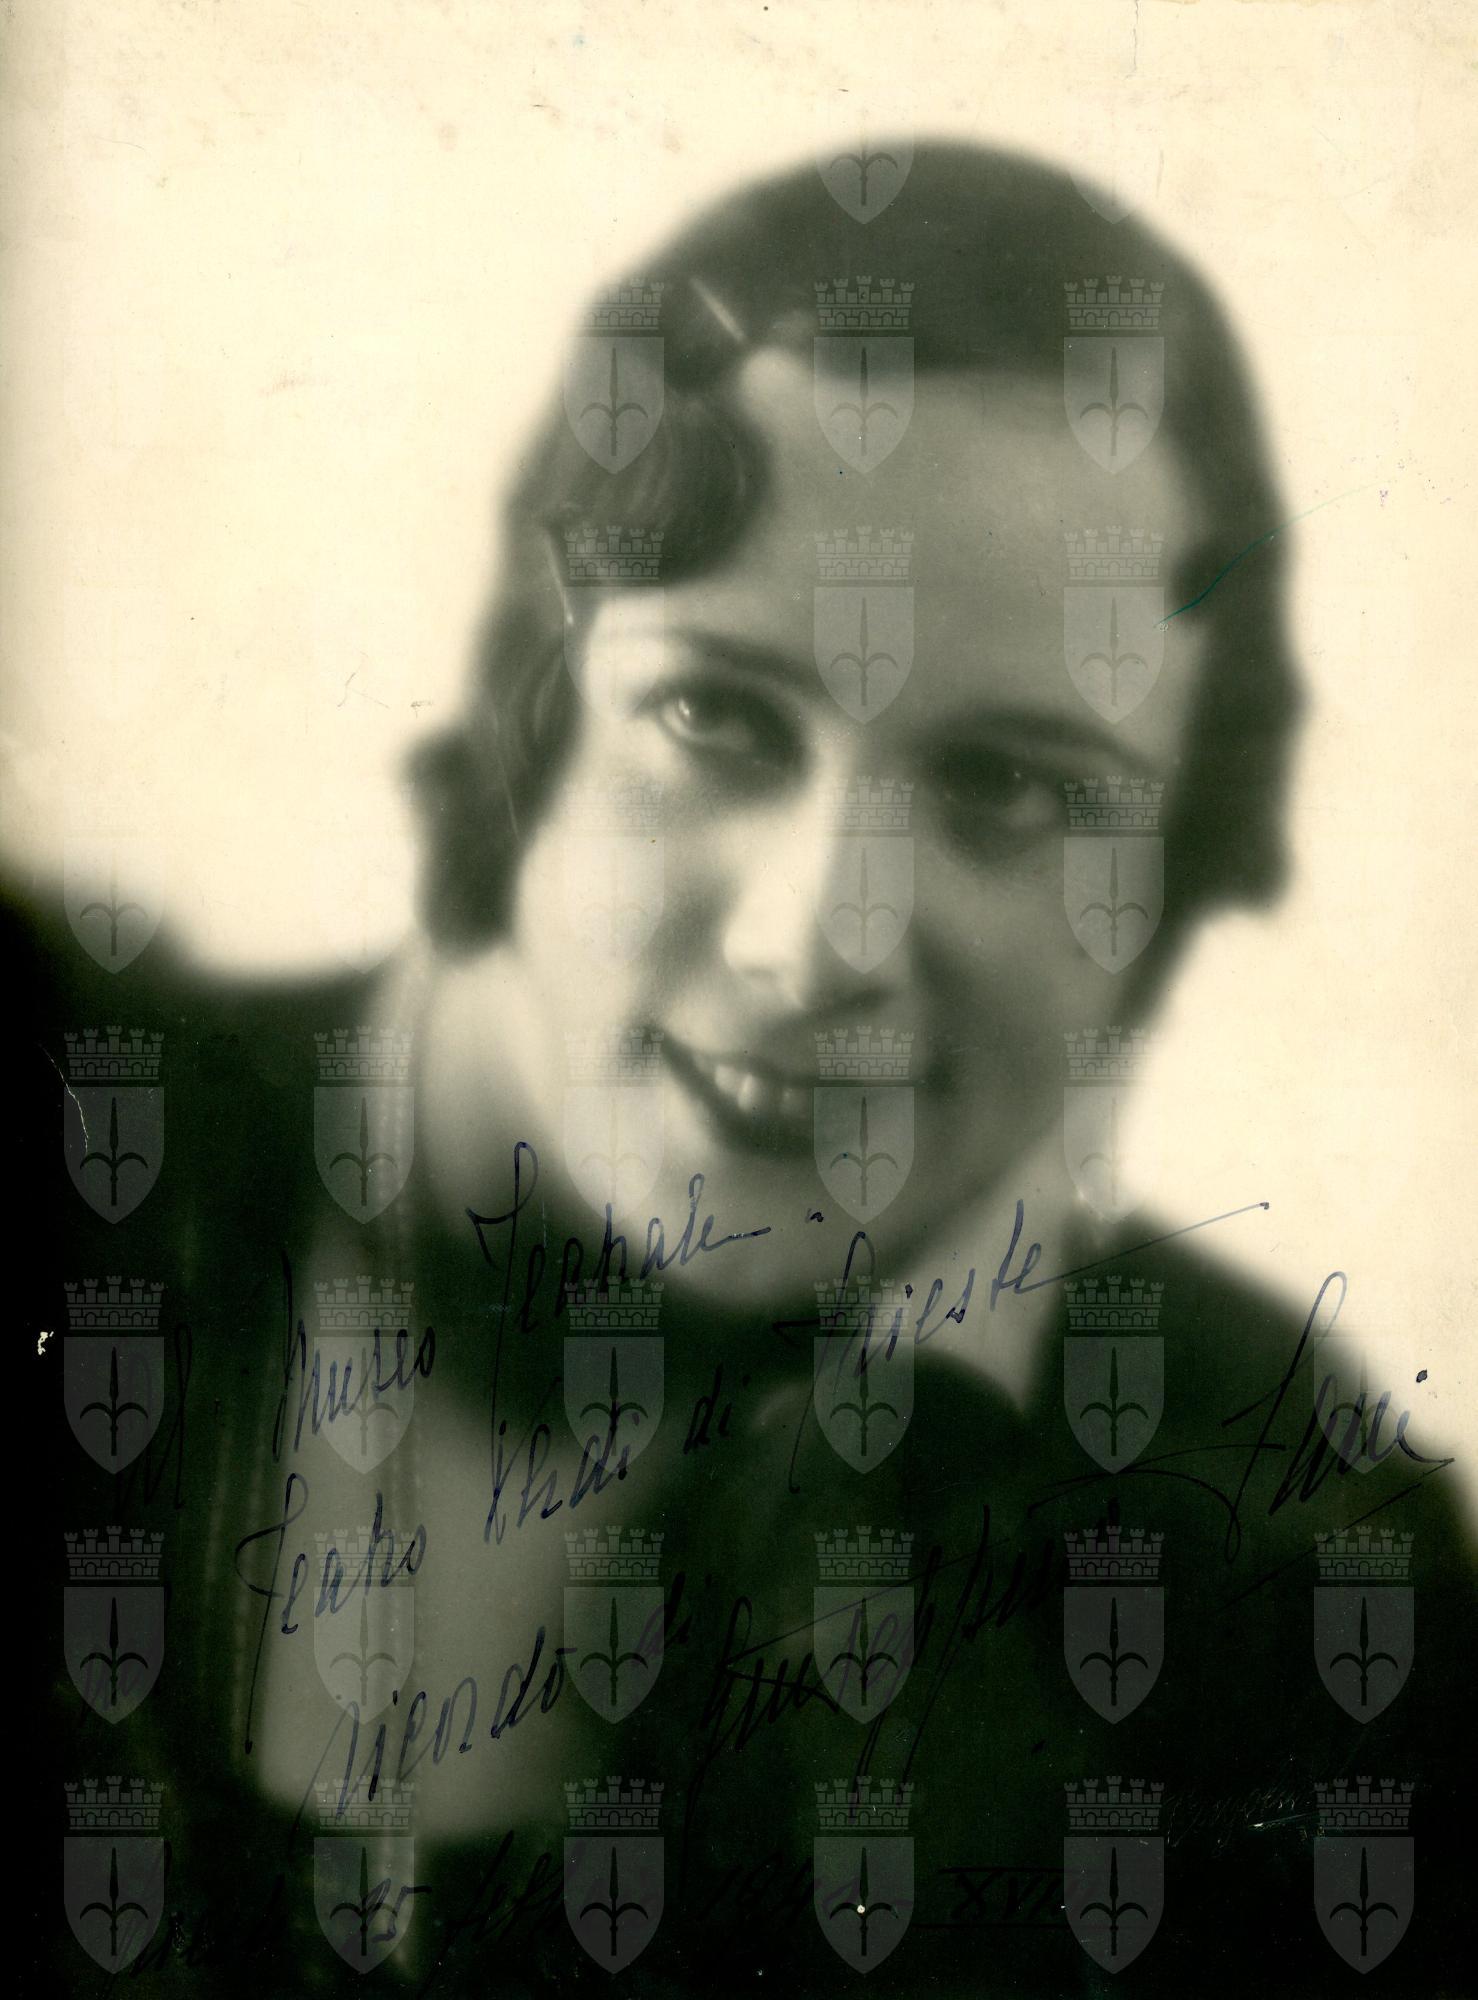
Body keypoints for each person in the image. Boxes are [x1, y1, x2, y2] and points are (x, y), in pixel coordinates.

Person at [28, 140, 1474, 1995]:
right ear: (528, 710)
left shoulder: (1290, 1569)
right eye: (713, 713)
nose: (811, 941)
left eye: (1014, 787)